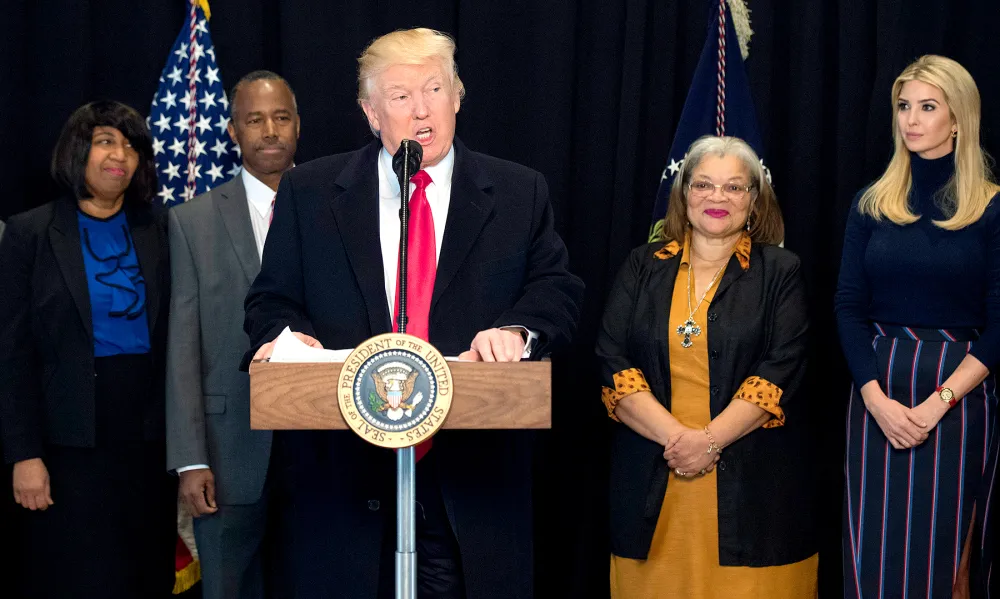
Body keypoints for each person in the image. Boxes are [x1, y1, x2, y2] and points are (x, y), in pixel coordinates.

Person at [242, 27, 583, 599]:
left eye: (435, 89)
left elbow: (556, 288)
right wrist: (288, 342)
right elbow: (269, 301)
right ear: (371, 112)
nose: (421, 109)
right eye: (400, 97)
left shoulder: (518, 190)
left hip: (472, 482)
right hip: (344, 488)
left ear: (458, 96)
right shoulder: (310, 192)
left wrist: (519, 331)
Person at [596, 135, 817, 598]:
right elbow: (612, 359)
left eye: (734, 188)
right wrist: (680, 442)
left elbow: (781, 368)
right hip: (654, 482)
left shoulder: (781, 271)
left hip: (755, 492)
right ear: (683, 195)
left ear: (754, 201)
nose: (717, 198)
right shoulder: (642, 266)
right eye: (703, 185)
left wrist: (709, 441)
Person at [837, 55, 1000, 598]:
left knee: (945, 557)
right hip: (878, 391)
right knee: (875, 551)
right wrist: (875, 399)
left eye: (927, 107)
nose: (911, 119)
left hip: (957, 394)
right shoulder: (871, 203)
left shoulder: (993, 209)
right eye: (904, 106)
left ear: (958, 119)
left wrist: (938, 403)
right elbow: (848, 308)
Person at [0, 100, 175, 598]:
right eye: (104, 141)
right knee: (80, 576)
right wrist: (24, 454)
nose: (119, 154)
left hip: (146, 438)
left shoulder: (160, 229)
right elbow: (11, 354)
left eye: (130, 145)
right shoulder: (29, 233)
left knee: (143, 572)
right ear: (78, 151)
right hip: (66, 443)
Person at [166, 70, 299, 599]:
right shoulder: (191, 221)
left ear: (298, 126)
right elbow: (182, 348)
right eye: (254, 119)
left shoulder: (340, 208)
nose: (269, 130)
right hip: (228, 452)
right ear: (232, 131)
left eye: (281, 117)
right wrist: (191, 457)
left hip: (325, 449)